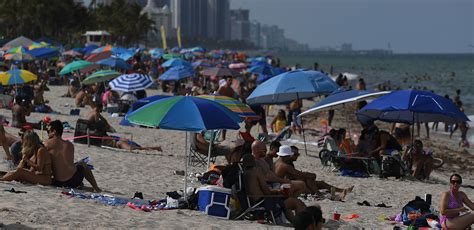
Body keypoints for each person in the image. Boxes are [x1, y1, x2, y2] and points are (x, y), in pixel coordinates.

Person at [242, 154, 306, 224]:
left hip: (255, 204)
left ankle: (296, 223)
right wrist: (279, 191)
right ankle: (301, 225)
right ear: (253, 162)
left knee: (288, 203)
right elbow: (267, 192)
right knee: (297, 202)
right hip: (264, 204)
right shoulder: (256, 172)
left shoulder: (244, 174)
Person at [274, 145, 353, 199]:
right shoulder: (284, 165)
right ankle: (318, 194)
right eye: (296, 154)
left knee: (320, 183)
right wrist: (311, 175)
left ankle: (342, 190)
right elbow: (298, 174)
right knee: (308, 179)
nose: (297, 156)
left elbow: (296, 174)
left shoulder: (279, 162)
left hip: (287, 183)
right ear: (288, 155)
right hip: (284, 186)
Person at [44, 120, 101, 192]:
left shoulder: (47, 144)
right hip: (74, 180)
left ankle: (82, 186)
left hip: (58, 182)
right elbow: (68, 164)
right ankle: (96, 188)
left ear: (54, 131)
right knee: (83, 164)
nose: (48, 134)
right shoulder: (70, 145)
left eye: (48, 131)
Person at [86, 103, 162, 152]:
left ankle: (156, 148)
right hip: (117, 142)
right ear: (99, 107)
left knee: (127, 142)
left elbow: (102, 124)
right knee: (133, 147)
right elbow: (100, 125)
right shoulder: (97, 119)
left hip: (112, 140)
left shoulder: (92, 115)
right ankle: (155, 148)